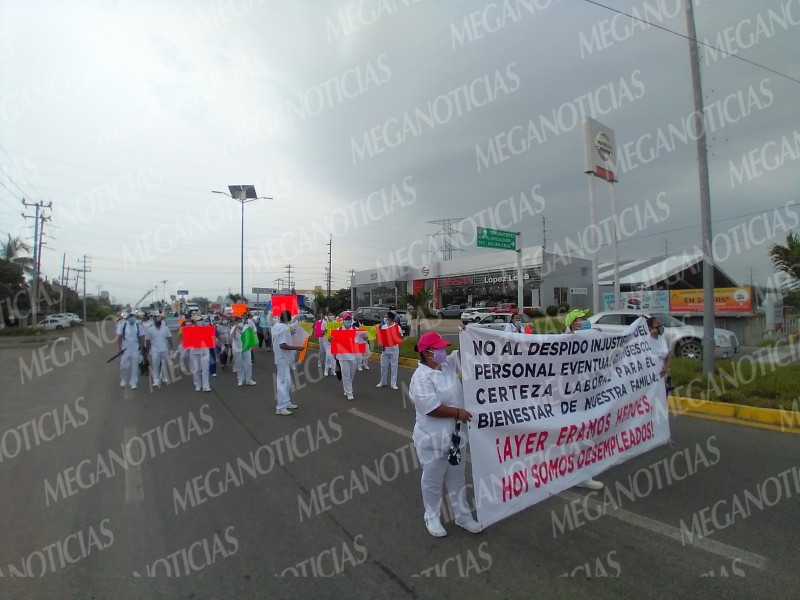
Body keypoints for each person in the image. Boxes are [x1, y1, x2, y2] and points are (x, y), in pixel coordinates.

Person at [409, 332, 482, 537]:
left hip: (456, 437)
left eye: (444, 348)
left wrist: (469, 332)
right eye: (439, 349)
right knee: (433, 480)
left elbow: (465, 354)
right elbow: (431, 408)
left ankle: (463, 516)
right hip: (432, 439)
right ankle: (431, 517)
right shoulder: (420, 378)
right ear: (427, 352)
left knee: (457, 479)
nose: (444, 352)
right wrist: (458, 412)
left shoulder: (447, 365)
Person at [563, 309, 605, 491]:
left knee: (584, 434)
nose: (586, 321)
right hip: (568, 398)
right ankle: (578, 473)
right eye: (582, 319)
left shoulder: (591, 338)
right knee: (574, 435)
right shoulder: (562, 342)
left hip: (587, 396)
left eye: (586, 318)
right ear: (572, 324)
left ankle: (581, 472)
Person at [271, 309, 305, 415]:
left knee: (287, 382)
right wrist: (297, 348)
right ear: (289, 318)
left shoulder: (276, 326)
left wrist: (289, 333)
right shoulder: (284, 328)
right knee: (283, 383)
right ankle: (281, 407)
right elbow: (283, 345)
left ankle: (286, 402)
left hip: (281, 358)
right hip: (283, 359)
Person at [337, 312, 365, 401]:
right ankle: (349, 392)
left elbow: (363, 339)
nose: (348, 321)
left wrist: (365, 338)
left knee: (351, 374)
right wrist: (331, 339)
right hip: (343, 356)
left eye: (349, 319)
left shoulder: (356, 329)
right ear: (343, 320)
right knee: (346, 374)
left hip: (354, 356)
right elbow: (333, 341)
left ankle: (347, 388)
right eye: (346, 319)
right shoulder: (339, 329)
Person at [116, 312, 144, 390]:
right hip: (125, 349)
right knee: (123, 365)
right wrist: (119, 348)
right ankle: (124, 379)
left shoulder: (139, 326)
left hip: (135, 349)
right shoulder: (123, 326)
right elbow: (119, 337)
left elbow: (142, 337)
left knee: (134, 366)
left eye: (133, 316)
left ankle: (133, 382)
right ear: (127, 318)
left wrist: (141, 349)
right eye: (130, 317)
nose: (132, 318)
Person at [146, 314, 173, 388]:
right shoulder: (150, 329)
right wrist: (147, 350)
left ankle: (164, 376)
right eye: (157, 320)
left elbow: (169, 338)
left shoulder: (165, 328)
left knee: (164, 364)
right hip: (155, 350)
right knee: (155, 364)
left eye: (159, 320)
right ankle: (156, 379)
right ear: (154, 321)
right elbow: (148, 341)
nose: (158, 321)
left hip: (164, 349)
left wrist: (172, 347)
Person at [647, 315, 671, 395]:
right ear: (650, 327)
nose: (661, 326)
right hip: (650, 380)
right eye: (658, 325)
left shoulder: (662, 340)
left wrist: (666, 368)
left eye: (661, 324)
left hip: (662, 378)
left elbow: (667, 356)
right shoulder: (645, 341)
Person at [376, 311, 400, 390]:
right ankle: (383, 381)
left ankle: (393, 383)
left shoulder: (397, 327)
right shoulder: (383, 327)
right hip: (385, 349)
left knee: (394, 367)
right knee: (383, 366)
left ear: (390, 318)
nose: (385, 318)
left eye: (386, 317)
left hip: (394, 350)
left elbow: (400, 337)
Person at [231, 316, 256, 387]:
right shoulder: (233, 328)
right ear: (235, 322)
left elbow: (252, 335)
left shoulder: (246, 327)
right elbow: (231, 337)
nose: (239, 323)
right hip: (237, 349)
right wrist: (236, 327)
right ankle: (240, 379)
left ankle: (248, 379)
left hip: (246, 348)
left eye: (240, 321)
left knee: (248, 364)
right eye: (238, 321)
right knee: (239, 364)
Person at [188, 316, 211, 392]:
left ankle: (206, 386)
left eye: (201, 320)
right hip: (194, 351)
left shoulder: (207, 328)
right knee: (196, 369)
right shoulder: (190, 329)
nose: (200, 322)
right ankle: (197, 385)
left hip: (204, 351)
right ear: (195, 322)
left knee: (205, 369)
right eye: (198, 320)